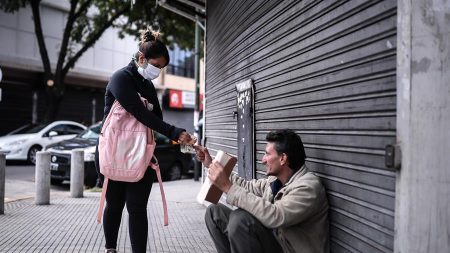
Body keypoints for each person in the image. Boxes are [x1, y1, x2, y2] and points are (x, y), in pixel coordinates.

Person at [94, 26, 193, 253]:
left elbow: (155, 119)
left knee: (138, 208)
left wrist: (177, 135)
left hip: (141, 153)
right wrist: (174, 132)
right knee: (115, 205)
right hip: (113, 152)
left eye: (161, 67)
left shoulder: (148, 86)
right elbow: (139, 113)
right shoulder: (120, 78)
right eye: (156, 66)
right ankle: (111, 249)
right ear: (142, 58)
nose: (158, 71)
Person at [195, 130, 329, 253]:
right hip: (275, 240)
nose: (263, 160)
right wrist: (211, 164)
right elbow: (246, 186)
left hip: (288, 249)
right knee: (214, 212)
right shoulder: (275, 182)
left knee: (240, 220)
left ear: (283, 159)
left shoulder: (308, 187)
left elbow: (276, 215)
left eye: (267, 154)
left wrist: (228, 187)